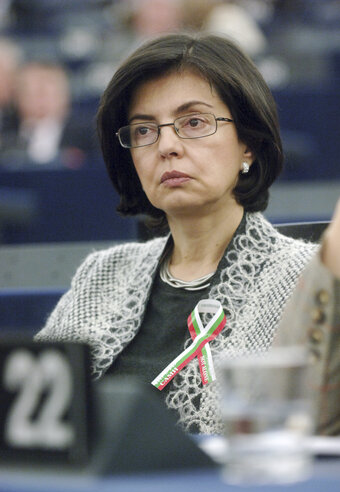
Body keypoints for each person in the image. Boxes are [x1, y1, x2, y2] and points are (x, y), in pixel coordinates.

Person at [36, 33, 340, 435]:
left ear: (247, 143)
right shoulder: (101, 274)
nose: (166, 146)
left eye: (193, 122)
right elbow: (32, 414)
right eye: (144, 130)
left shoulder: (307, 277)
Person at [0, 61, 98, 169]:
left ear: (65, 95)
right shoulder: (5, 132)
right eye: (34, 93)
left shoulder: (90, 134)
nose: (41, 101)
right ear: (18, 96)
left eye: (48, 92)